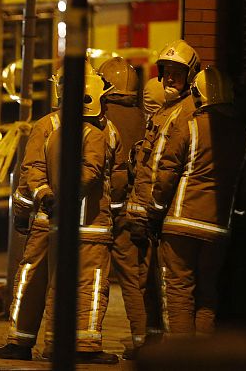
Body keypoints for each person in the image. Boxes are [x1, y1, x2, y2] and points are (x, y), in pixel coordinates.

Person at [0, 60, 94, 362]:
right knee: (33, 280)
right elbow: (31, 169)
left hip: (74, 224)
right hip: (46, 220)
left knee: (61, 286)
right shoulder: (48, 126)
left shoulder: (90, 128)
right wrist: (36, 202)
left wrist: (25, 208)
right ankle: (20, 342)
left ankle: (42, 344)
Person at [149, 67, 246, 336]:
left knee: (179, 290)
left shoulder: (190, 125)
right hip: (218, 229)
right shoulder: (245, 135)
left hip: (182, 222)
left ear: (198, 94)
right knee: (207, 293)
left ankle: (181, 357)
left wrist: (156, 210)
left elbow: (167, 172)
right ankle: (202, 357)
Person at [40, 72, 123, 365]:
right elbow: (91, 173)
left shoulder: (55, 133)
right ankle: (86, 346)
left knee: (58, 285)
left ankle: (54, 342)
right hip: (91, 224)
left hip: (60, 225)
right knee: (91, 284)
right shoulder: (95, 135)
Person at [125, 39, 201, 344]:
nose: (169, 78)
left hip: (164, 217)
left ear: (190, 77)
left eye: (177, 73)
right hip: (154, 215)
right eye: (166, 72)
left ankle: (174, 356)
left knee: (169, 291)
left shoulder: (183, 114)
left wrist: (148, 214)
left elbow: (162, 170)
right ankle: (153, 348)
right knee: (150, 286)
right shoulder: (166, 111)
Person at [97, 57, 148, 358]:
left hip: (103, 210)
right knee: (134, 280)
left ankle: (84, 337)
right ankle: (142, 340)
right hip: (136, 211)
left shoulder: (102, 118)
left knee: (92, 276)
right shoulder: (143, 117)